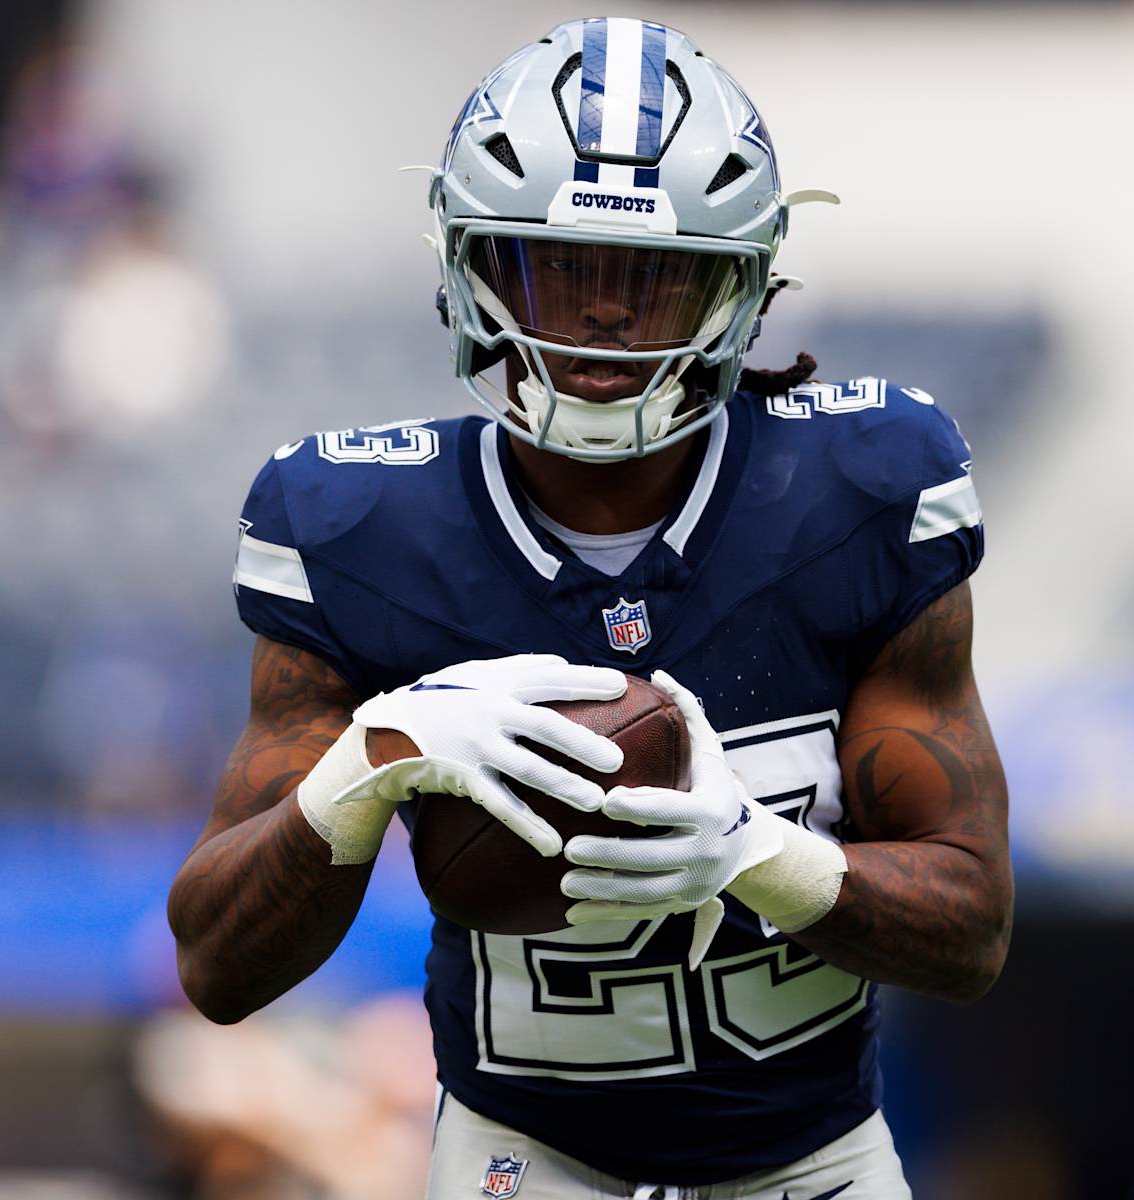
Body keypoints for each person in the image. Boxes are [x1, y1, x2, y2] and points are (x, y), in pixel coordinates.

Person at [167, 18, 1010, 1199]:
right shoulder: (361, 526)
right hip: (524, 1157)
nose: (605, 315)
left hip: (814, 1160)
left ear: (744, 286)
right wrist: (366, 766)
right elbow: (214, 964)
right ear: (471, 265)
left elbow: (973, 926)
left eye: (653, 276)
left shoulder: (859, 488)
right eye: (558, 264)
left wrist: (758, 855)